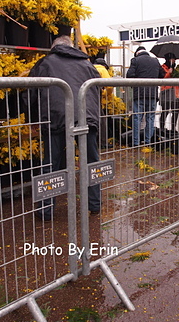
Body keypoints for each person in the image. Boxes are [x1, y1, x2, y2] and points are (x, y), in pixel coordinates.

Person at [25, 35, 102, 219]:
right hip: (86, 117)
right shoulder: (87, 64)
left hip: (56, 117)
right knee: (91, 161)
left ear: (54, 47)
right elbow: (98, 88)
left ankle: (46, 210)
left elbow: (30, 92)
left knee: (51, 164)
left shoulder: (45, 63)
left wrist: (32, 119)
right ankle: (95, 204)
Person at [126, 46, 165, 146]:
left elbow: (129, 75)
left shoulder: (135, 60)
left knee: (137, 118)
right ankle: (148, 142)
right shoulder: (155, 61)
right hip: (152, 94)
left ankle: (136, 142)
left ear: (137, 53)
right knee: (150, 118)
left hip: (139, 94)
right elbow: (162, 74)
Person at [93, 58, 114, 148]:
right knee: (101, 120)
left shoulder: (89, 67)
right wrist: (105, 94)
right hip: (95, 97)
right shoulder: (102, 69)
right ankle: (102, 143)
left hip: (82, 97)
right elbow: (109, 86)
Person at [158, 53, 179, 135]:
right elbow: (161, 78)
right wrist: (168, 73)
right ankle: (162, 128)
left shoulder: (177, 69)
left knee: (176, 111)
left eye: (174, 59)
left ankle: (173, 128)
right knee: (165, 111)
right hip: (166, 93)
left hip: (175, 93)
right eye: (172, 59)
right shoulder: (162, 67)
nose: (173, 60)